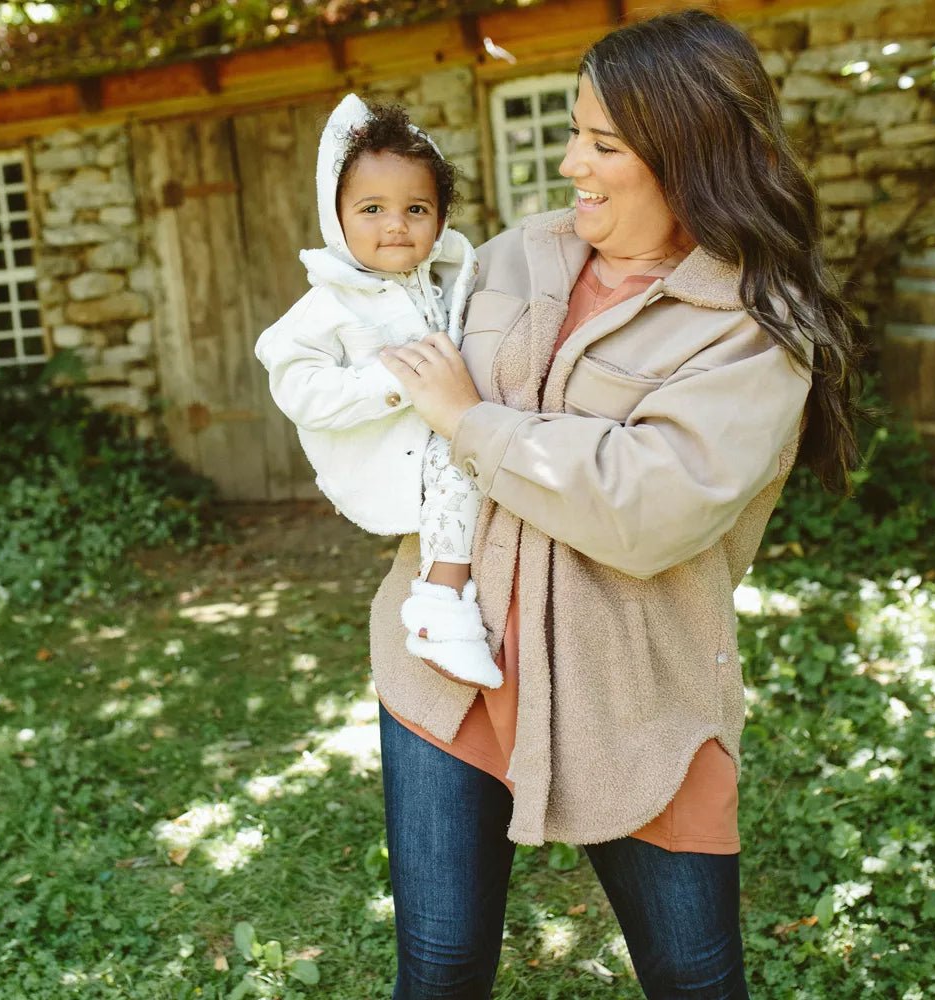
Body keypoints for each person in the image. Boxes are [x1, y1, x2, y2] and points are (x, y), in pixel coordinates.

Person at [372, 8, 863, 999]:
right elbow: (410, 419)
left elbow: (647, 506)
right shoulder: (514, 258)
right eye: (570, 132)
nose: (569, 165)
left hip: (638, 702)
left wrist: (473, 421)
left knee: (693, 980)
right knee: (438, 966)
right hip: (448, 667)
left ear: (689, 153)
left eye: (601, 143)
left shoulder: (754, 328)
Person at [255, 95, 502, 689]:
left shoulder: (453, 277)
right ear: (335, 216)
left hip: (448, 433)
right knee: (458, 461)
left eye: (416, 208)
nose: (396, 224)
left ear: (441, 220)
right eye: (371, 208)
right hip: (387, 445)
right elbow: (297, 386)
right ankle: (440, 607)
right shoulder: (328, 302)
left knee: (470, 462)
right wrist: (397, 384)